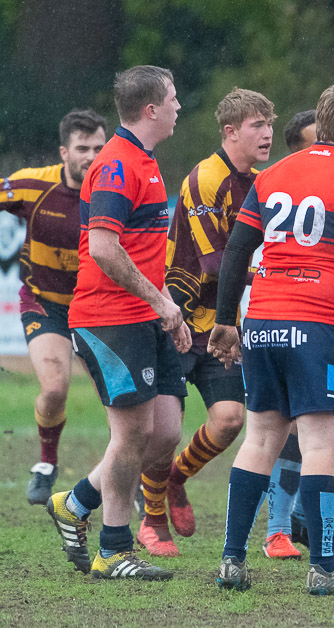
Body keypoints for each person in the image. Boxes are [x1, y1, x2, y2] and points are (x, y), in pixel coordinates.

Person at [208, 79, 334, 595]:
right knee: (322, 444)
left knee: (259, 438)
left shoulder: (273, 173)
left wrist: (226, 319)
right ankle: (324, 568)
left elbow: (237, 251)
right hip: (318, 326)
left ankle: (232, 561)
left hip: (262, 322)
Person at [45, 66, 189, 581]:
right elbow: (105, 250)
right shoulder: (116, 166)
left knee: (164, 431)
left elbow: (144, 253)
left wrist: (167, 306)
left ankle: (75, 502)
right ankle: (112, 548)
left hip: (146, 315)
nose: (178, 107)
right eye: (172, 100)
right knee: (131, 435)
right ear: (151, 109)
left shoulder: (145, 160)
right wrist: (162, 304)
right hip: (109, 319)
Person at [133, 88, 276, 557]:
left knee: (230, 420)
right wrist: (272, 274)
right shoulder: (204, 179)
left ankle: (176, 477)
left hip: (222, 324)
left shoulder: (260, 182)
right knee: (162, 431)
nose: (268, 133)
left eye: (270, 124)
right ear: (230, 131)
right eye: (257, 125)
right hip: (178, 321)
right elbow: (217, 264)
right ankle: (152, 519)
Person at [3, 109, 106, 505]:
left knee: (120, 401)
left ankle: (122, 475)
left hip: (97, 307)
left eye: (99, 148)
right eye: (83, 148)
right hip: (44, 303)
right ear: (64, 152)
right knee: (54, 388)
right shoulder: (33, 185)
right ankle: (47, 464)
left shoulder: (115, 191)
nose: (92, 157)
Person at [260, 108, 323, 560]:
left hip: (316, 322)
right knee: (272, 432)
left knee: (313, 432)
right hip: (270, 320)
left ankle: (295, 523)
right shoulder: (269, 188)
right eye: (315, 143)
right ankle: (277, 529)